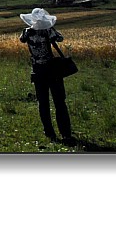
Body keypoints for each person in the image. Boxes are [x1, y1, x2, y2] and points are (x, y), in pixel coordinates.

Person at [19, 8, 74, 144]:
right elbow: (60, 38)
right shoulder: (48, 31)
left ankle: (49, 132)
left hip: (37, 71)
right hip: (52, 70)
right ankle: (65, 133)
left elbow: (22, 40)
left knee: (43, 103)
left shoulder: (26, 32)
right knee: (59, 102)